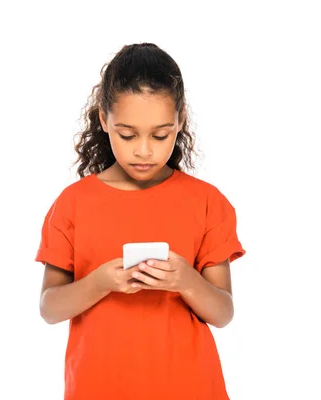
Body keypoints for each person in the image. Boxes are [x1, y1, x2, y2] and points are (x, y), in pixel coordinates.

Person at [35, 42, 246, 400]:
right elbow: (49, 308)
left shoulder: (208, 202)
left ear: (180, 121)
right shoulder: (72, 204)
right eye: (128, 134)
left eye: (160, 135)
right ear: (104, 120)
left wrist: (186, 281)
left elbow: (223, 312)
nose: (144, 150)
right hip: (97, 389)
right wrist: (99, 282)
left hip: (191, 389)